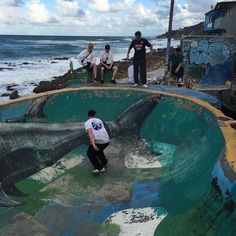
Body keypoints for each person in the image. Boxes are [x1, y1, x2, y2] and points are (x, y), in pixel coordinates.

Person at [84, 109, 110, 174]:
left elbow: (90, 133)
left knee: (90, 153)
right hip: (106, 141)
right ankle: (104, 162)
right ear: (94, 115)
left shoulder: (87, 122)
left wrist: (93, 144)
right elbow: (101, 130)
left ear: (88, 115)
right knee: (98, 150)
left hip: (99, 142)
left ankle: (100, 168)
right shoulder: (99, 120)